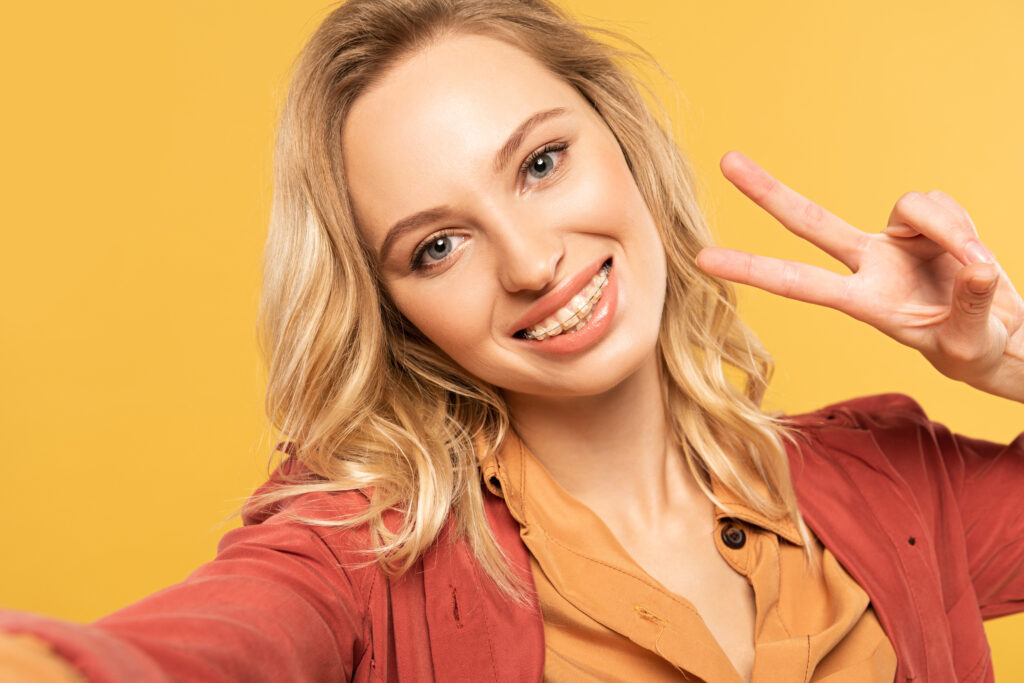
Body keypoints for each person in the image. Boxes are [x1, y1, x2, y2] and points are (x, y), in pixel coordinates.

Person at [2, 0, 1022, 680]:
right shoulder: (361, 560)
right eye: (438, 244)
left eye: (540, 161)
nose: (531, 261)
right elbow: (194, 645)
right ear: (393, 306)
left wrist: (1010, 363)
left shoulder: (893, 481)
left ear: (619, 138)